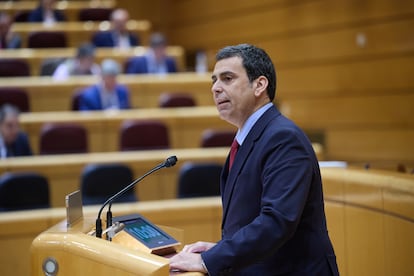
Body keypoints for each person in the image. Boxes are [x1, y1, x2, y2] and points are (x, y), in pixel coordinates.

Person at [169, 44, 339, 275]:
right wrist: (219, 250)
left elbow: (276, 222)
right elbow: (249, 219)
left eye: (227, 78)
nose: (216, 88)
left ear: (259, 84)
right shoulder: (250, 136)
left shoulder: (283, 138)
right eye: (214, 80)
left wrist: (209, 260)